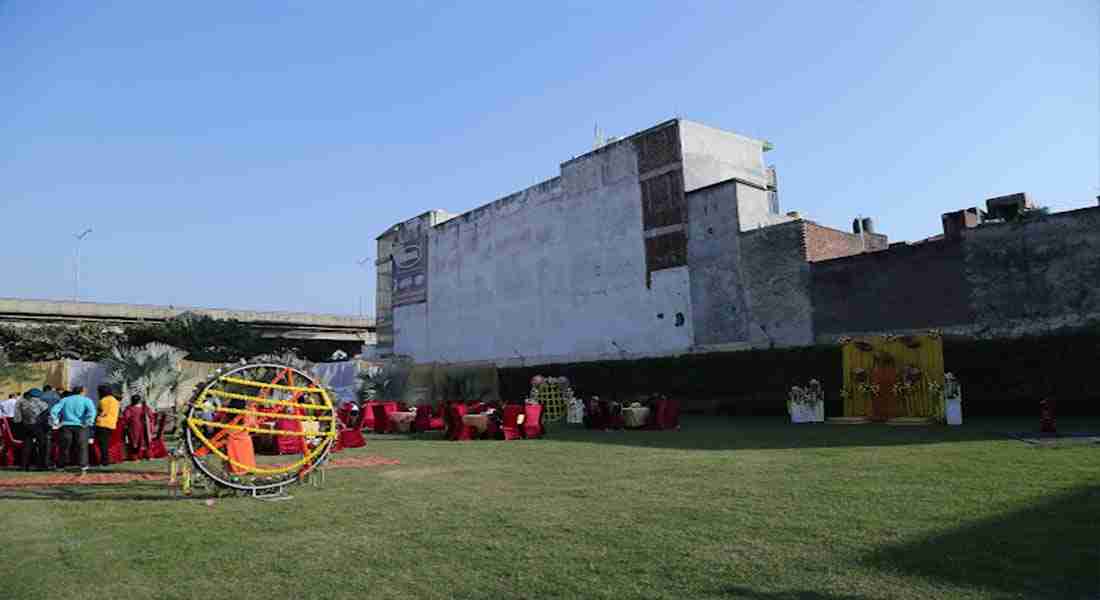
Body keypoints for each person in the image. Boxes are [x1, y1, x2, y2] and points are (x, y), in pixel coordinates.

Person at [49, 385, 97, 471]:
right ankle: (83, 465)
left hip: (65, 425)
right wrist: (89, 421)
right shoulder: (86, 400)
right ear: (82, 392)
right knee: (82, 446)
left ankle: (61, 465)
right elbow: (92, 412)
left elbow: (54, 411)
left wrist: (56, 421)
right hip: (81, 426)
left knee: (64, 446)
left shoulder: (64, 400)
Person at [18, 389, 51, 471]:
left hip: (26, 426)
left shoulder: (21, 403)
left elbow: (17, 419)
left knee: (27, 446)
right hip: (38, 427)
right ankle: (42, 465)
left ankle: (24, 466)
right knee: (43, 445)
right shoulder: (43, 404)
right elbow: (46, 418)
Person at [93, 385, 120, 467]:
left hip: (102, 424)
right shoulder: (115, 400)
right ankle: (105, 460)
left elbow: (103, 413)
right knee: (105, 443)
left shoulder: (103, 400)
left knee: (102, 444)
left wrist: (96, 417)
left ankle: (104, 461)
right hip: (111, 424)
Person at [122, 395, 155, 460]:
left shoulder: (129, 408)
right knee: (146, 442)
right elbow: (151, 416)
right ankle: (149, 456)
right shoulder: (145, 407)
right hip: (144, 427)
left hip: (135, 427)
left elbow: (126, 418)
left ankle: (135, 457)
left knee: (135, 442)